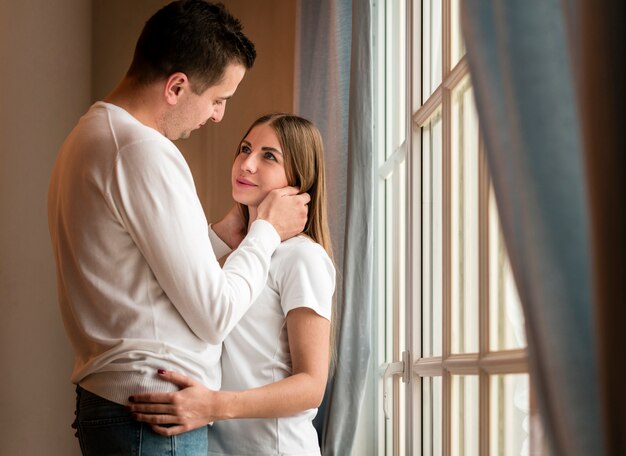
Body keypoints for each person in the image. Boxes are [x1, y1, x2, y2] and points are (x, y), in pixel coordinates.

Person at [47, 2, 309, 455]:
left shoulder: (89, 138)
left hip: (124, 408)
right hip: (155, 414)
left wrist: (219, 236)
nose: (217, 116)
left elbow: (138, 271)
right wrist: (265, 230)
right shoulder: (141, 151)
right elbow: (214, 315)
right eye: (217, 99)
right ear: (177, 87)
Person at [127, 113, 336, 455]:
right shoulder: (240, 258)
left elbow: (311, 385)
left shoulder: (302, 258)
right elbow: (164, 291)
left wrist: (214, 406)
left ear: (298, 178)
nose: (246, 164)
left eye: (269, 156)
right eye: (244, 149)